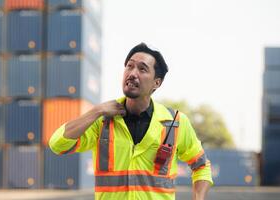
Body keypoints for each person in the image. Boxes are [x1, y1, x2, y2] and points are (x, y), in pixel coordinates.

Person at [49, 43, 213, 200]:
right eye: (129, 66)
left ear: (157, 83)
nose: (133, 73)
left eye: (142, 69)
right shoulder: (102, 121)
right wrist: (96, 111)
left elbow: (201, 166)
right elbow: (57, 144)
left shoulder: (175, 123)